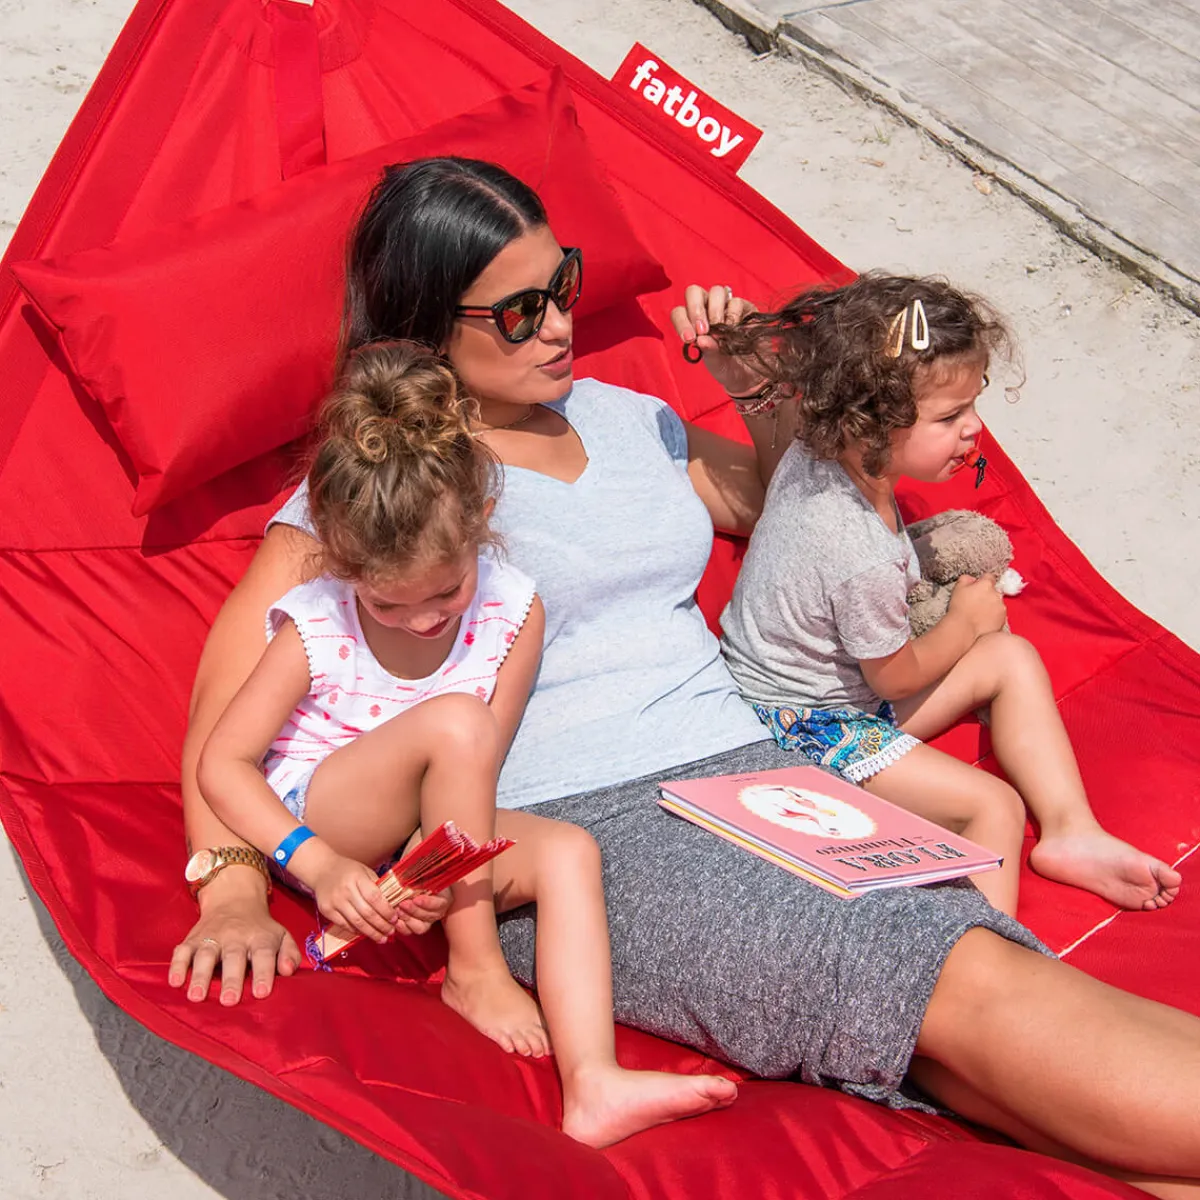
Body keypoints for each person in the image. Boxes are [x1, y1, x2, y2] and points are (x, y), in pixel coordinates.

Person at [172, 157, 1200, 1194]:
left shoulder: (621, 417)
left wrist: (755, 388)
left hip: (751, 766)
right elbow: (230, 702)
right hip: (589, 820)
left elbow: (776, 507)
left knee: (958, 960)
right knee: (943, 977)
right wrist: (233, 888)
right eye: (521, 311)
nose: (561, 325)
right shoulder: (394, 485)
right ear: (429, 327)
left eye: (564, 285)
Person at [195, 340, 736, 1147]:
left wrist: (427, 872)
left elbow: (482, 767)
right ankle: (475, 968)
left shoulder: (515, 610)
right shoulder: (316, 624)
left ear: (484, 521)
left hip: (429, 828)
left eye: (446, 593)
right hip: (322, 815)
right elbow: (223, 763)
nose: (422, 620)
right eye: (389, 606)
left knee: (569, 852)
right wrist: (319, 863)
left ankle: (594, 1081)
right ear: (343, 563)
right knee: (454, 718)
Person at [714, 273, 1182, 918]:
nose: (974, 428)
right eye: (949, 416)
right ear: (867, 423)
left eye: (972, 403)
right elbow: (891, 676)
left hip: (811, 690)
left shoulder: (817, 448)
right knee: (993, 806)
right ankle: (996, 956)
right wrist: (964, 623)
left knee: (1011, 658)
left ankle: (1072, 831)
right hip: (797, 728)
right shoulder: (860, 553)